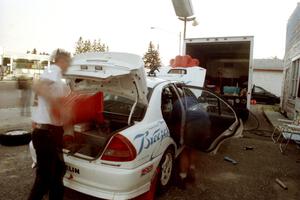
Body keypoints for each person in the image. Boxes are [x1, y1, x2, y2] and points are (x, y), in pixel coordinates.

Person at [28, 49, 71, 200]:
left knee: (58, 171)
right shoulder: (53, 70)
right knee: (45, 178)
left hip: (51, 132)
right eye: (68, 61)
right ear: (62, 60)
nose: (69, 65)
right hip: (45, 133)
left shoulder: (59, 79)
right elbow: (39, 87)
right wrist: (57, 105)